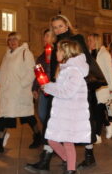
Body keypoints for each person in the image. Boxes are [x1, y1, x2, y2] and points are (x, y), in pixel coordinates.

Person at [25, 15, 106, 173]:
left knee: (80, 123)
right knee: (51, 120)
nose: (58, 29)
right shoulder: (55, 44)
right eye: (54, 27)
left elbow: (85, 60)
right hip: (59, 85)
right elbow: (57, 64)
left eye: (60, 26)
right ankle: (51, 159)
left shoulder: (76, 39)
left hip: (77, 85)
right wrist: (51, 82)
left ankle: (85, 156)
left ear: (67, 25)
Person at [42, 39, 91, 174]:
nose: (55, 52)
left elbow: (67, 92)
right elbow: (61, 88)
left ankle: (71, 170)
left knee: (68, 142)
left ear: (66, 53)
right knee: (52, 140)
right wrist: (48, 87)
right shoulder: (66, 69)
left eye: (58, 50)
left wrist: (49, 87)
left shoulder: (74, 71)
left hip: (71, 114)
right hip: (62, 113)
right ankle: (70, 161)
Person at [0, 32, 41, 151]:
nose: (12, 41)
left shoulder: (25, 53)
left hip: (20, 92)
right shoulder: (7, 55)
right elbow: (3, 73)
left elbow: (32, 71)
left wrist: (21, 85)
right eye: (10, 39)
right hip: (7, 93)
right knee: (4, 117)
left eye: (15, 39)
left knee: (28, 117)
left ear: (19, 41)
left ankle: (38, 136)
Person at [87, 33, 112, 143]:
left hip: (103, 86)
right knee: (95, 111)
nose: (88, 42)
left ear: (96, 41)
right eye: (88, 40)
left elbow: (109, 71)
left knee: (98, 109)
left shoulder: (104, 54)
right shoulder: (90, 54)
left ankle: (97, 135)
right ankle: (108, 124)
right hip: (93, 86)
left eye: (90, 40)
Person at [33, 29, 54, 130]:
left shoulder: (58, 54)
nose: (44, 38)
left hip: (55, 89)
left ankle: (50, 139)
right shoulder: (41, 56)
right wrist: (34, 88)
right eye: (44, 36)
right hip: (43, 89)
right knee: (41, 115)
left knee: (52, 115)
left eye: (47, 36)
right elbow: (38, 73)